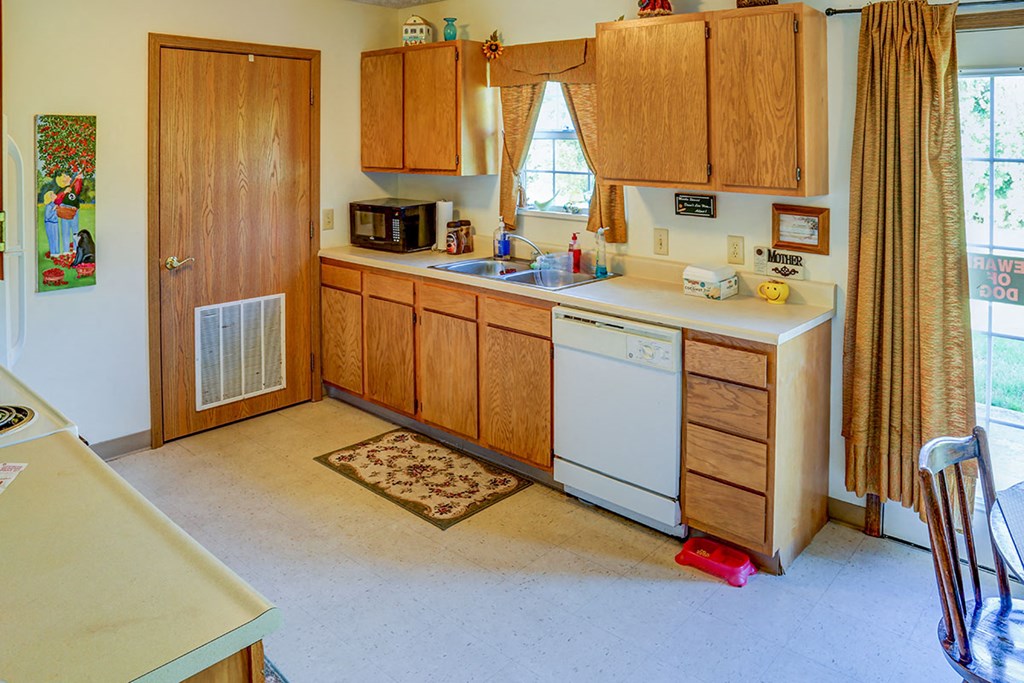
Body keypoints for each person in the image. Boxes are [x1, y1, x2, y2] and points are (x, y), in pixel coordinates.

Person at [54, 172, 84, 253]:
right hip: (64, 211)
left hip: (74, 212)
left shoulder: (73, 188)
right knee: (65, 231)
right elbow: (57, 200)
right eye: (64, 176)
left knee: (75, 231)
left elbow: (78, 188)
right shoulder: (61, 190)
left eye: (67, 175)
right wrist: (64, 192)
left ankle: (76, 249)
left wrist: (79, 179)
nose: (67, 176)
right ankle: (66, 250)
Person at [42, 191, 60, 256]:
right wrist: (53, 209)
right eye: (53, 194)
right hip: (50, 224)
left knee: (56, 237)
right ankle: (53, 252)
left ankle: (57, 252)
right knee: (52, 238)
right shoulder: (49, 206)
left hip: (55, 223)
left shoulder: (54, 204)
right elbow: (47, 216)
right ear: (50, 197)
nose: (55, 194)